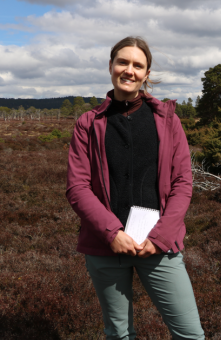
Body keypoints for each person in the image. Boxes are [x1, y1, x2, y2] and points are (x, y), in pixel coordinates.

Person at [66, 36, 205, 340]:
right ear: (111, 66)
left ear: (146, 74)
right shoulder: (88, 124)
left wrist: (162, 236)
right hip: (106, 247)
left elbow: (183, 183)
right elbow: (77, 187)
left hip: (159, 245)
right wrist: (111, 233)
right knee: (119, 334)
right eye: (123, 62)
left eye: (137, 65)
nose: (129, 70)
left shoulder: (168, 120)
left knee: (190, 335)